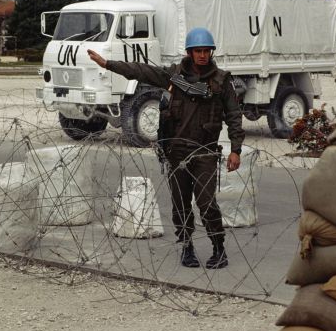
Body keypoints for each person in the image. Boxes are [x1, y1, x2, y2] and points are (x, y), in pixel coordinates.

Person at [87, 27, 245, 269]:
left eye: (206, 51)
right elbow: (141, 71)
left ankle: (218, 247)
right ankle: (186, 246)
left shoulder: (221, 81)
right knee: (180, 204)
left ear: (211, 52)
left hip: (205, 152)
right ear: (190, 53)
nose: (202, 55)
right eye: (197, 51)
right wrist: (107, 63)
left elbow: (234, 115)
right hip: (176, 151)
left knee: (206, 203)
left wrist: (236, 149)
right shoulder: (175, 76)